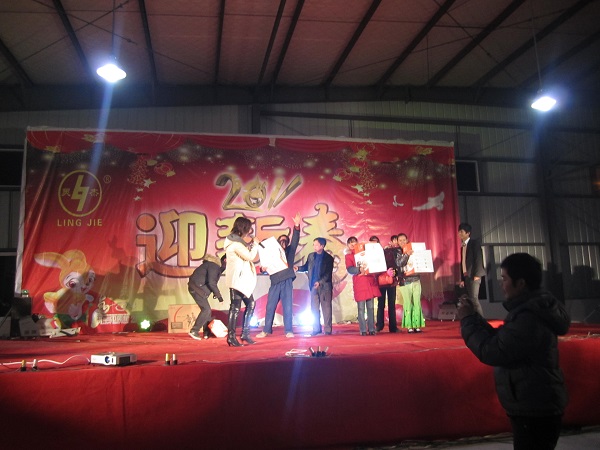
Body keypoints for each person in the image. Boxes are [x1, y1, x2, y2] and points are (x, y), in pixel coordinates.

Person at [458, 253, 570, 450]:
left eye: (504, 279)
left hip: (534, 405)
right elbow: (503, 339)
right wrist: (474, 318)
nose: (502, 285)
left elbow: (494, 350)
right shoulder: (530, 310)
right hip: (534, 403)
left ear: (520, 283)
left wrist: (467, 321)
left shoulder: (529, 317)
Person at [256, 213, 301, 339]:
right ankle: (266, 330)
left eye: (285, 240)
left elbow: (295, 240)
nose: (283, 242)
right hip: (275, 281)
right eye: (281, 240)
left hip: (286, 281)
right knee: (270, 306)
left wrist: (297, 225)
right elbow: (264, 263)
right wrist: (262, 268)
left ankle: (289, 330)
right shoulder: (271, 253)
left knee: (287, 307)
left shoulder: (290, 252)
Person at [224, 217, 260, 347]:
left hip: (240, 281)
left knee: (249, 304)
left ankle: (244, 334)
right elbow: (250, 256)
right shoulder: (236, 244)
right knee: (236, 307)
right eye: (248, 228)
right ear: (243, 228)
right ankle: (231, 337)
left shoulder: (235, 242)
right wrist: (255, 244)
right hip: (238, 281)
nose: (250, 231)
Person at [345, 236, 384, 335]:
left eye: (354, 242)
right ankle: (363, 330)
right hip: (359, 283)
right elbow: (349, 269)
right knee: (361, 308)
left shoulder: (366, 252)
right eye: (350, 243)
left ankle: (371, 329)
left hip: (369, 282)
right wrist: (358, 269)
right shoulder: (349, 256)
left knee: (370, 308)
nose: (353, 244)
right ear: (348, 245)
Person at [297, 237, 334, 336]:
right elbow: (306, 267)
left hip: (325, 287)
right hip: (313, 286)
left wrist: (320, 282)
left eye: (316, 245)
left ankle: (328, 329)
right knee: (314, 308)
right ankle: (316, 328)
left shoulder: (328, 258)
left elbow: (328, 274)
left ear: (322, 246)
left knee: (326, 308)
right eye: (313, 244)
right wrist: (298, 268)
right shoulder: (311, 256)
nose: (314, 246)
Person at [187, 254, 226, 340]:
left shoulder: (210, 265)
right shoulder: (213, 266)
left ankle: (206, 333)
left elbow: (217, 273)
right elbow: (212, 282)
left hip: (196, 288)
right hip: (198, 289)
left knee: (207, 311)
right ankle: (194, 330)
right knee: (206, 309)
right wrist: (219, 297)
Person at [396, 233, 425, 333]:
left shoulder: (414, 249)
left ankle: (417, 325)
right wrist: (407, 254)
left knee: (417, 302)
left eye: (404, 240)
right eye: (400, 240)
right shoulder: (397, 252)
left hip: (416, 279)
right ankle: (409, 326)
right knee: (408, 303)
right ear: (397, 242)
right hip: (404, 281)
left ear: (407, 240)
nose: (402, 242)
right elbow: (399, 263)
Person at [458, 222, 486, 316]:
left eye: (462, 231)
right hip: (467, 276)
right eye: (459, 231)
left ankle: (481, 320)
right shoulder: (463, 246)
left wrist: (477, 274)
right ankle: (474, 318)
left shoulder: (474, 243)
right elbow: (463, 262)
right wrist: (462, 278)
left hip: (474, 275)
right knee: (470, 299)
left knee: (474, 299)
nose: (459, 234)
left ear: (468, 233)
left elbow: (478, 259)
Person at [377, 234, 400, 333]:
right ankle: (379, 325)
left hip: (392, 281)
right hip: (382, 281)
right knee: (380, 303)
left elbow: (399, 266)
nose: (396, 242)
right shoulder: (385, 250)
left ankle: (393, 327)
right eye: (395, 240)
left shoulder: (400, 251)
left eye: (397, 240)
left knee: (391, 304)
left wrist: (396, 273)